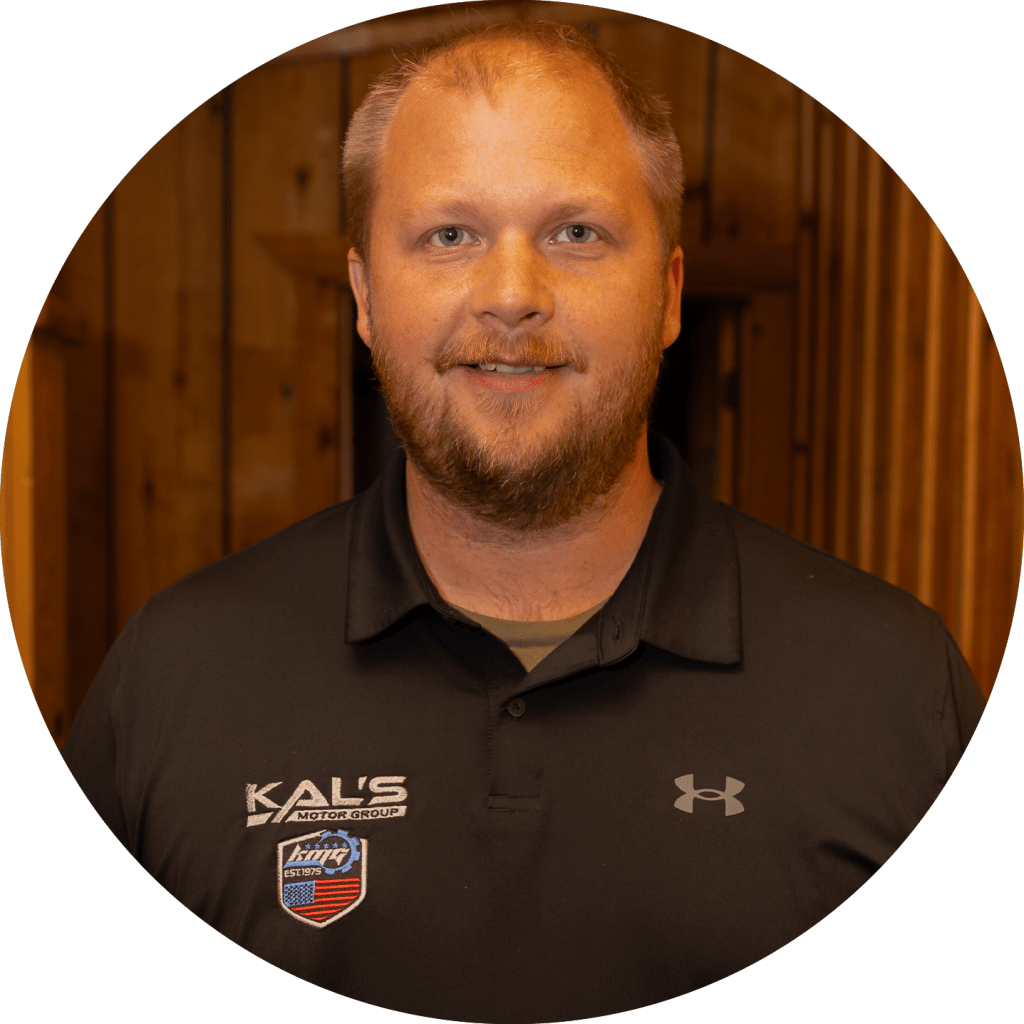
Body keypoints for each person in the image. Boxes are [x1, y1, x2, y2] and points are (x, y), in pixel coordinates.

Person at [62, 21, 985, 1024]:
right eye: (449, 235)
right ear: (366, 297)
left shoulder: (897, 693)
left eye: (575, 233)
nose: (511, 296)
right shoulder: (175, 677)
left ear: (668, 295)